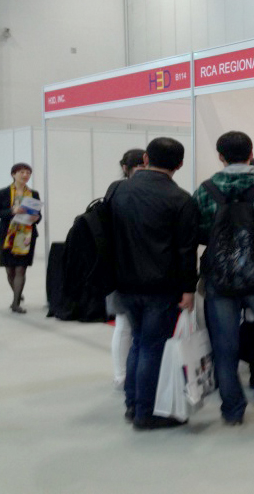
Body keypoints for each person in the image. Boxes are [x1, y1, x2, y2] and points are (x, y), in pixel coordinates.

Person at [194, 131, 254, 426]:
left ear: (220, 156)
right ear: (251, 153)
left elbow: (199, 232)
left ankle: (233, 410)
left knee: (224, 345)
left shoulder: (206, 189)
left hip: (219, 275)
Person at [110, 138, 199, 431]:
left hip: (124, 281)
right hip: (162, 286)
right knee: (151, 347)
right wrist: (188, 289)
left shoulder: (119, 191)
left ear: (146, 158)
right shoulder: (181, 199)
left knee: (138, 342)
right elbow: (186, 251)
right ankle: (145, 413)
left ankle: (133, 405)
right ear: (180, 164)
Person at [107, 149, 145, 390]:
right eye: (139, 167)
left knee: (133, 326)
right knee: (124, 324)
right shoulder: (117, 190)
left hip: (138, 266)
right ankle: (121, 374)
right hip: (122, 267)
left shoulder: (119, 190)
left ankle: (131, 373)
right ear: (126, 168)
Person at [0, 163, 42, 314]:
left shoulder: (33, 194)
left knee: (21, 269)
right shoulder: (3, 193)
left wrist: (36, 218)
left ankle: (15, 303)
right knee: (10, 270)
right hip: (7, 234)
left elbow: (38, 216)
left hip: (26, 235)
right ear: (13, 174)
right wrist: (12, 211)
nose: (25, 175)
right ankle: (17, 292)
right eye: (22, 172)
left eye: (28, 173)